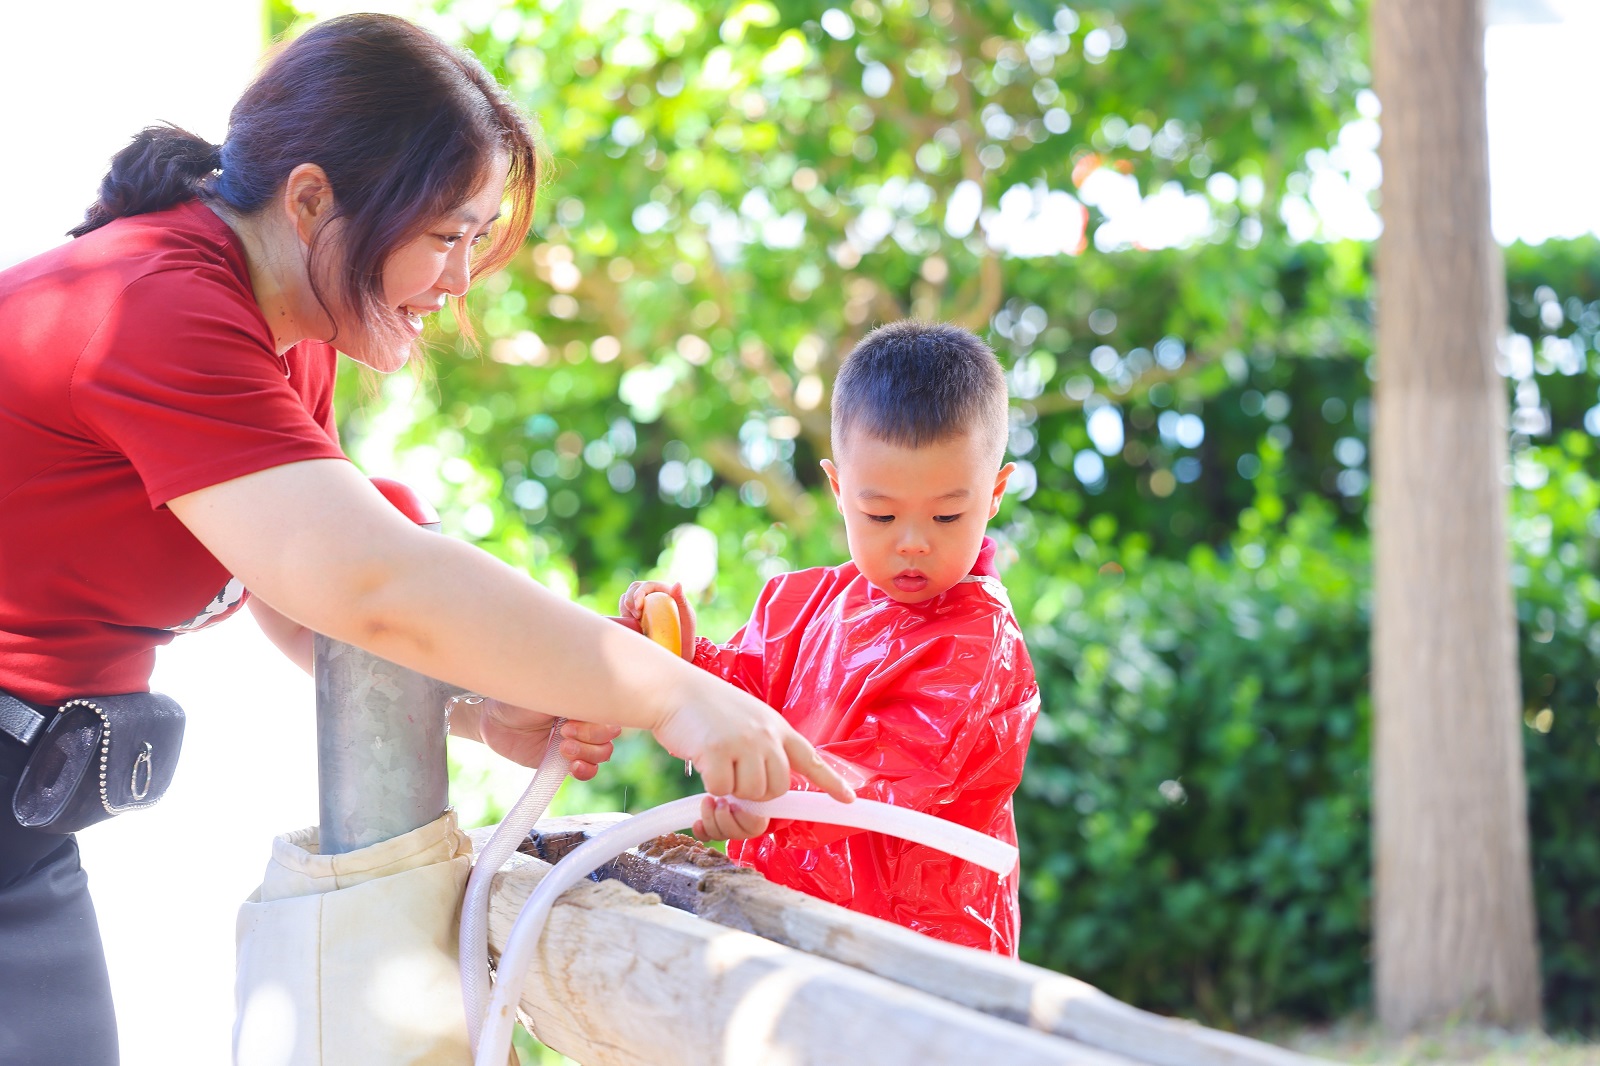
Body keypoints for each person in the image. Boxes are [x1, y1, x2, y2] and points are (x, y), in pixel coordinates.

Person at [0, 15, 849, 1065]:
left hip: (23, 836)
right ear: (310, 200)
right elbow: (371, 580)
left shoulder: (273, 329)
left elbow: (297, 589)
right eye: (445, 234)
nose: (457, 283)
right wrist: (678, 694)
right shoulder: (156, 306)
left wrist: (481, 709)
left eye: (475, 239)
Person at [621, 321, 1040, 956]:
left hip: (919, 946)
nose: (912, 541)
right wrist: (680, 659)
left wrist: (765, 793)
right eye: (881, 515)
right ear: (840, 490)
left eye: (947, 515)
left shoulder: (979, 646)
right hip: (783, 920)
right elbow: (739, 702)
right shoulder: (803, 603)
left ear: (996, 493)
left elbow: (882, 780)